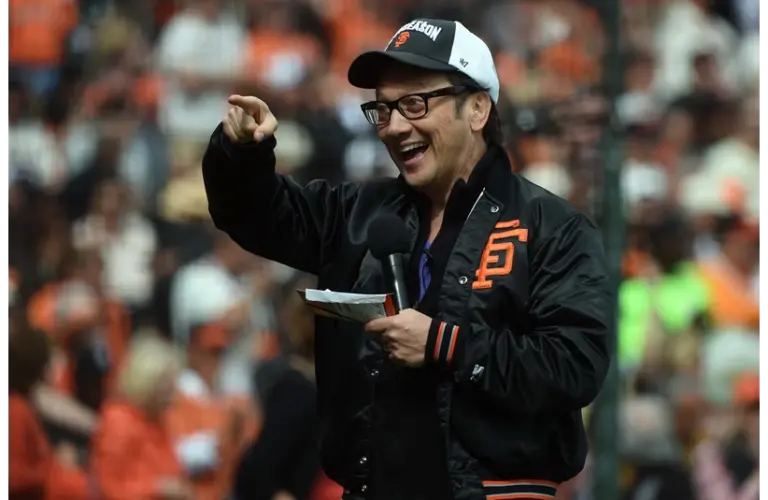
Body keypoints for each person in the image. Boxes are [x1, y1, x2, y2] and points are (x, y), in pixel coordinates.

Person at [202, 18, 611, 500]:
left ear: (477, 108)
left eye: (415, 103)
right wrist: (241, 155)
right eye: (383, 109)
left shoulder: (551, 227)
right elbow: (257, 217)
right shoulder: (357, 213)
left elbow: (574, 366)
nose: (395, 127)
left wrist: (444, 344)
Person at [90, 332, 192, 500]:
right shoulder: (119, 422)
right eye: (167, 385)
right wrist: (158, 488)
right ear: (147, 382)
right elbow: (107, 487)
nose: (174, 393)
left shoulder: (158, 419)